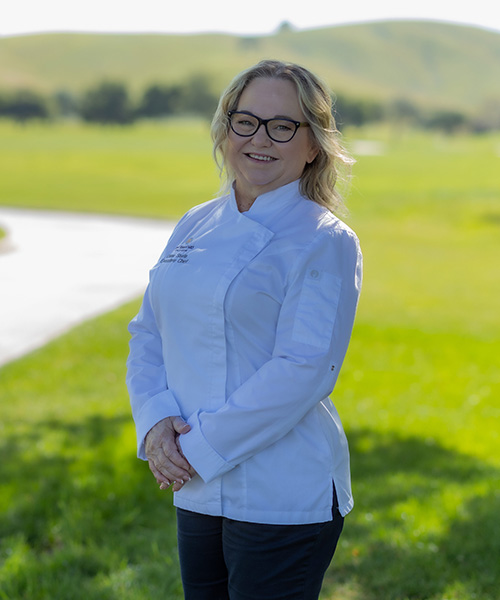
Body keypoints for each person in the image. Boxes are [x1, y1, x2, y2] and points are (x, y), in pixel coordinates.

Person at [126, 59, 363, 600]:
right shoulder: (196, 222)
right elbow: (148, 334)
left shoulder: (324, 239)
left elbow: (303, 370)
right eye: (246, 121)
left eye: (283, 126)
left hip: (281, 492)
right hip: (195, 483)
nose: (260, 139)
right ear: (225, 127)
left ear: (313, 145)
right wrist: (156, 423)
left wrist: (196, 449)